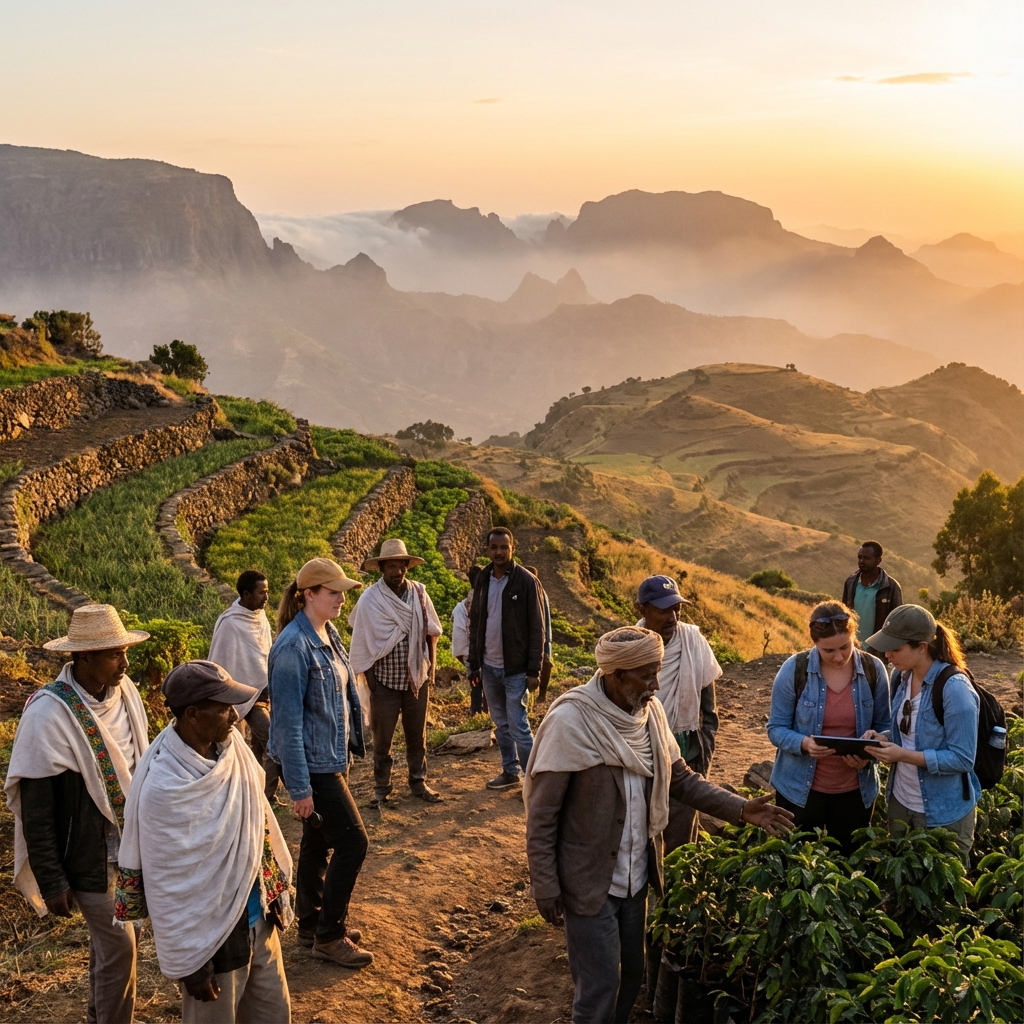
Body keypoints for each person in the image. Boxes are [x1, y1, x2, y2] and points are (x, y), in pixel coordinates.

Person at [525, 627, 794, 1024]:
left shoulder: (649, 715)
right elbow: (542, 814)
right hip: (589, 880)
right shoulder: (572, 722)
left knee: (632, 974)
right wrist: (545, 885)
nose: (656, 684)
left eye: (658, 671)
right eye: (647, 675)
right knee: (599, 986)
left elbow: (681, 778)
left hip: (637, 877)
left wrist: (740, 809)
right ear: (616, 676)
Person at [115, 661, 292, 1024]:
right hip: (210, 944)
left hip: (258, 919)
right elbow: (168, 885)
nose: (233, 715)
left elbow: (258, 829)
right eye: (224, 707)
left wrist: (273, 894)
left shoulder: (234, 753)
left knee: (274, 1015)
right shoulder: (163, 788)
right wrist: (190, 965)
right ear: (192, 715)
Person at [4, 604, 151, 1024]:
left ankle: (98, 1014)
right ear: (83, 658)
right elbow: (37, 810)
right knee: (120, 946)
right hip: (88, 858)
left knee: (117, 946)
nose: (124, 663)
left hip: (129, 846)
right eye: (113, 654)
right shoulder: (48, 716)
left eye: (125, 652)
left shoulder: (125, 696)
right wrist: (52, 880)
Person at [267, 557, 372, 968]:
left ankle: (313, 923)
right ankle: (330, 935)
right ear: (308, 594)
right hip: (313, 764)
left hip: (331, 757)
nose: (341, 599)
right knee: (353, 843)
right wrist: (300, 788)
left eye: (343, 592)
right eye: (333, 592)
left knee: (317, 843)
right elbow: (287, 724)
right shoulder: (293, 647)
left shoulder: (325, 633)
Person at [766, 601, 891, 856]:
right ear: (815, 644)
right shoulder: (795, 669)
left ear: (854, 636)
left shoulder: (873, 670)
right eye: (828, 650)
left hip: (855, 792)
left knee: (850, 865)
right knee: (797, 865)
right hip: (799, 791)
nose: (839, 657)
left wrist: (870, 752)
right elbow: (776, 728)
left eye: (845, 647)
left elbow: (886, 727)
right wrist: (804, 744)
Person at [863, 605, 981, 861]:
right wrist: (884, 738)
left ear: (922, 647)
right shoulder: (900, 677)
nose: (887, 654)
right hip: (902, 804)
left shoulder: (954, 689)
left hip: (943, 812)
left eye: (896, 649)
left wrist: (902, 755)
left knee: (943, 890)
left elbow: (962, 759)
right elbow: (907, 735)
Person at [348, 538, 444, 806]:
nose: (397, 571)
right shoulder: (370, 600)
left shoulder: (420, 595)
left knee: (417, 737)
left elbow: (431, 633)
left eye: (401, 565)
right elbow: (362, 642)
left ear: (407, 567)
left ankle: (418, 782)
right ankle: (382, 789)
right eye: (391, 566)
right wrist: (372, 685)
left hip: (416, 680)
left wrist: (430, 670)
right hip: (385, 685)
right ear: (382, 569)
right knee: (382, 741)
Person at [636, 574, 722, 851]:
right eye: (663, 610)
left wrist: (703, 754)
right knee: (640, 834)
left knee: (681, 839)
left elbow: (709, 709)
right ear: (643, 610)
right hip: (641, 754)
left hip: (686, 753)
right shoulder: (630, 648)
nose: (673, 617)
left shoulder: (693, 641)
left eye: (677, 608)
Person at [468, 527, 545, 790]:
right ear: (487, 549)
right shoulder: (483, 579)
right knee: (500, 724)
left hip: (515, 669)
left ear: (512, 548)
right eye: (494, 547)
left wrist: (534, 669)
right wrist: (474, 663)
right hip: (489, 666)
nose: (499, 552)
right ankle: (510, 772)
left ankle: (534, 781)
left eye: (504, 547)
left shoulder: (525, 581)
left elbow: (537, 627)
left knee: (518, 726)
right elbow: (476, 621)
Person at [209, 569, 281, 802]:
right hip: (238, 696)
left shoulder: (259, 616)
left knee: (261, 747)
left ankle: (260, 794)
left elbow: (264, 653)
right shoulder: (230, 623)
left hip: (262, 692)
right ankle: (258, 796)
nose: (266, 597)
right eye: (262, 593)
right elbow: (223, 662)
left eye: (267, 592)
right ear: (247, 594)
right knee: (271, 742)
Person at [842, 541, 903, 654]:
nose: (861, 561)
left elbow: (896, 623)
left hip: (879, 652)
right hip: (852, 649)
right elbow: (843, 616)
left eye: (866, 558)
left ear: (878, 560)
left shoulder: (891, 587)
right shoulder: (850, 583)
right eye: (859, 557)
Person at [451, 565, 487, 714]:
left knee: (475, 684)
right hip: (485, 651)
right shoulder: (485, 599)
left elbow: (459, 634)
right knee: (486, 684)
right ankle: (485, 712)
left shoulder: (461, 606)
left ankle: (475, 711)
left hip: (467, 651)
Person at [524, 565, 554, 703]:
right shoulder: (536, 591)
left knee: (545, 663)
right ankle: (539, 695)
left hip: (541, 636)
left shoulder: (538, 592)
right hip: (542, 635)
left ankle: (541, 695)